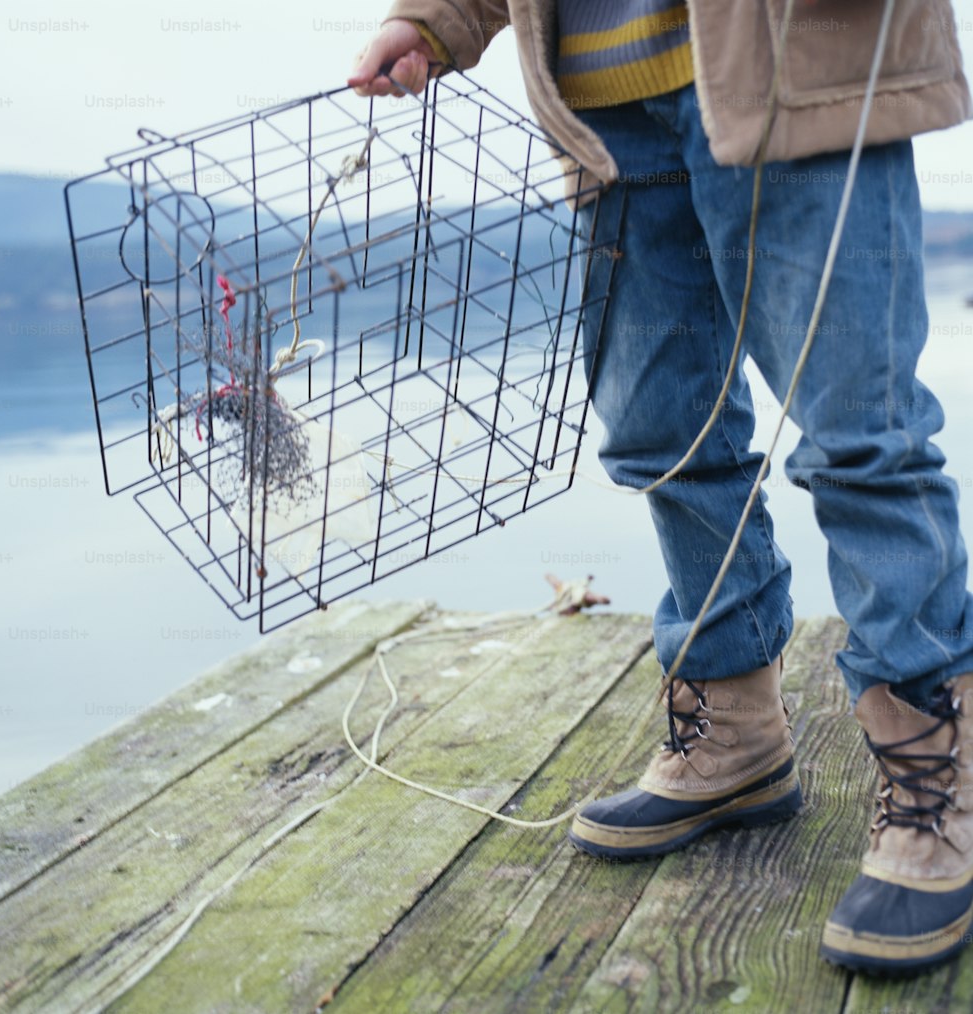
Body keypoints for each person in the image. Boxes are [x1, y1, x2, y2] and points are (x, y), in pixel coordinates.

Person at [349, 0, 973, 977]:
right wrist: (434, 22)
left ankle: (933, 771)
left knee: (864, 442)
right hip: (602, 115)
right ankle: (732, 731)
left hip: (796, 71)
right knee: (662, 442)